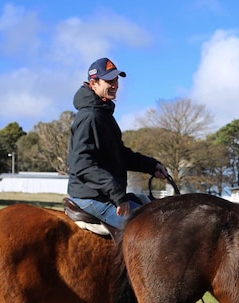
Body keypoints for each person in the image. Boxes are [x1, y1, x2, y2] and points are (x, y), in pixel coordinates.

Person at [67, 57, 168, 230]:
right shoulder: (90, 116)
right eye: (109, 80)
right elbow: (82, 165)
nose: (114, 84)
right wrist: (117, 194)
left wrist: (152, 165)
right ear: (94, 84)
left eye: (116, 79)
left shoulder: (103, 114)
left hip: (104, 194)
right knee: (153, 228)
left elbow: (119, 154)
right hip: (91, 197)